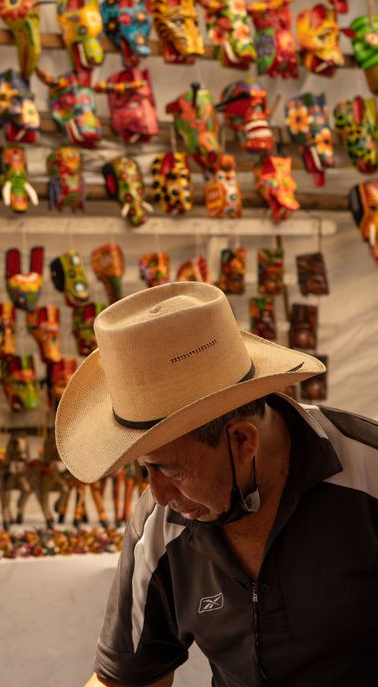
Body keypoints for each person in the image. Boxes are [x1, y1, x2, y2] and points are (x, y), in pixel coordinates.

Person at [55, 281, 378, 687]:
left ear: (243, 440)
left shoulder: (370, 476)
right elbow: (124, 680)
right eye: (145, 470)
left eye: (170, 470)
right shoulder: (158, 524)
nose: (158, 496)